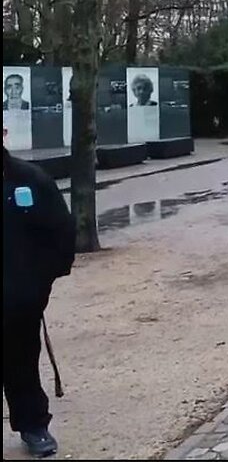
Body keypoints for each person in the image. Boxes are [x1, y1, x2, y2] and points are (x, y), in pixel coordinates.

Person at [3, 129, 76, 458]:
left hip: (18, 300)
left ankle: (33, 425)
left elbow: (61, 235)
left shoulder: (31, 180)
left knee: (21, 364)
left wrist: (36, 287)